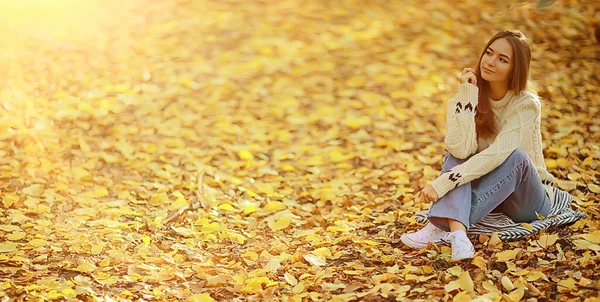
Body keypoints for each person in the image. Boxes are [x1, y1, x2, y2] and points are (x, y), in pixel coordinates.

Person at [400, 29, 556, 261]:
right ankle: (458, 235)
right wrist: (468, 94)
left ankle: (443, 226)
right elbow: (460, 150)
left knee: (517, 157)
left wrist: (443, 183)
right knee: (460, 154)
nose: (490, 62)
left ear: (516, 69)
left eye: (502, 59)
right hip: (494, 193)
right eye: (489, 53)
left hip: (528, 200)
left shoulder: (526, 104)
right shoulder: (466, 96)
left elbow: (497, 155)